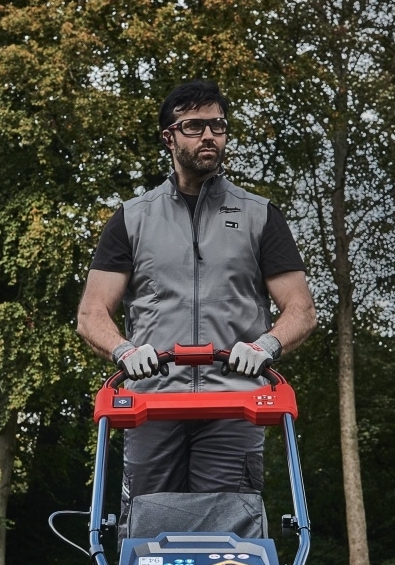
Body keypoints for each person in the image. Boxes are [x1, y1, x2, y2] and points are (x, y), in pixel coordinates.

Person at [76, 80, 317, 510]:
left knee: (229, 531)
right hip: (151, 403)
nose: (209, 135)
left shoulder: (260, 215)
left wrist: (266, 345)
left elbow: (301, 309)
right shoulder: (132, 218)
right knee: (148, 529)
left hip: (235, 404)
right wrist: (124, 351)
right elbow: (92, 313)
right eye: (194, 126)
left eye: (217, 126)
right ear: (169, 137)